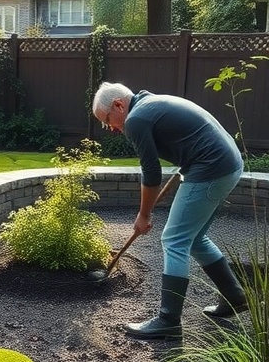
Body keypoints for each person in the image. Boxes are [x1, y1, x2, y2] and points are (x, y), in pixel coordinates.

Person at [92, 82, 246, 339]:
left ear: (119, 105)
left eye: (108, 120)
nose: (112, 129)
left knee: (174, 239)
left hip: (211, 167)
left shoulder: (136, 119)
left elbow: (151, 174)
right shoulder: (151, 103)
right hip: (227, 164)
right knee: (194, 239)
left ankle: (168, 321)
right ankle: (235, 296)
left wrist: (144, 214)